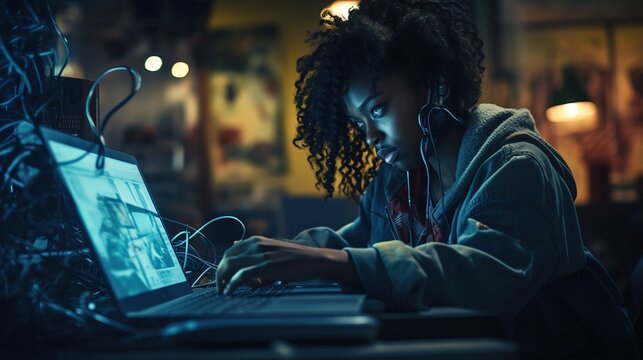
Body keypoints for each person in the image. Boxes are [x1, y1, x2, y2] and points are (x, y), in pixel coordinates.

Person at [215, 0, 639, 357]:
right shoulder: (399, 177)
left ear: (432, 86)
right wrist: (282, 254)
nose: (369, 137)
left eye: (378, 109)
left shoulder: (516, 166)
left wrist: (325, 262)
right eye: (357, 121)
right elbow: (356, 242)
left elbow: (485, 275)